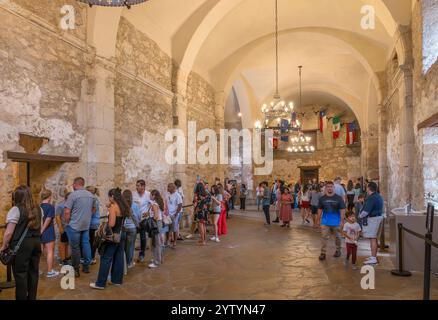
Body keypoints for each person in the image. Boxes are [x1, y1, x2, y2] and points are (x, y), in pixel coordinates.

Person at [1, 186, 41, 300]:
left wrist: (3, 246)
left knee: (21, 275)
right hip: (37, 242)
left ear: (16, 197)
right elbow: (40, 227)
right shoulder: (38, 209)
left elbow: (9, 232)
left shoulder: (16, 209)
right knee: (33, 272)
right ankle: (32, 298)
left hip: (22, 246)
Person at [90, 188, 131, 290]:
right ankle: (116, 280)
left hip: (113, 236)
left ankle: (100, 283)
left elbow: (112, 224)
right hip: (122, 234)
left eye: (109, 197)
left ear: (112, 197)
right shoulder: (122, 206)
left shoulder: (114, 207)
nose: (108, 199)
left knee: (106, 258)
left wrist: (104, 226)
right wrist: (110, 208)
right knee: (119, 257)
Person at [64, 177, 97, 277]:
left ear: (75, 184)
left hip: (74, 225)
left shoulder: (73, 195)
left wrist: (68, 222)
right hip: (86, 225)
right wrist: (86, 216)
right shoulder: (91, 195)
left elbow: (66, 211)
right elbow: (94, 209)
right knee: (86, 245)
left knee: (75, 248)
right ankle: (86, 267)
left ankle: (76, 269)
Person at [317, 181, 346, 261]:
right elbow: (319, 210)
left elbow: (342, 210)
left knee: (338, 238)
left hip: (336, 222)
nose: (329, 188)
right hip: (325, 222)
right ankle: (323, 253)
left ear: (333, 188)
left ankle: (338, 250)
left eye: (331, 186)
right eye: (328, 187)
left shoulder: (338, 198)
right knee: (324, 238)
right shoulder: (322, 198)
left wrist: (342, 221)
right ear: (325, 188)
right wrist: (318, 220)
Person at [359, 182, 384, 266]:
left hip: (373, 220)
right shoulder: (378, 196)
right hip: (377, 218)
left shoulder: (371, 198)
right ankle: (373, 256)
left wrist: (359, 216)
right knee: (373, 238)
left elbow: (366, 211)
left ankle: (373, 258)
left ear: (368, 188)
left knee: (373, 238)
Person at [40, 189, 58, 278]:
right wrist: (42, 230)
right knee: (50, 251)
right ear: (49, 196)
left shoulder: (39, 206)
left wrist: (39, 231)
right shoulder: (50, 207)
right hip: (47, 230)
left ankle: (38, 270)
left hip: (40, 231)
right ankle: (50, 271)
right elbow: (48, 219)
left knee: (41, 251)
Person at [133, 180, 151, 263]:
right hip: (135, 219)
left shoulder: (148, 194)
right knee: (132, 236)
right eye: (136, 185)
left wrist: (148, 212)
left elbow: (152, 204)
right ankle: (130, 256)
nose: (137, 187)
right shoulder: (134, 194)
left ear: (143, 186)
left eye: (138, 186)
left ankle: (142, 254)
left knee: (143, 237)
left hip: (143, 220)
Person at [122, 189, 141, 269]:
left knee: (123, 246)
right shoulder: (135, 205)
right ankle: (129, 263)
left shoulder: (121, 205)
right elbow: (138, 217)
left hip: (123, 228)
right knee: (130, 247)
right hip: (132, 228)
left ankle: (123, 263)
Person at [148, 190, 165, 269]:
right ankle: (158, 258)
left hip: (156, 223)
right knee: (159, 242)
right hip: (159, 223)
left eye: (151, 194)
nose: (149, 196)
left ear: (154, 195)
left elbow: (156, 216)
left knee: (156, 243)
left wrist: (149, 219)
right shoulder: (158, 203)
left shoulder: (154, 204)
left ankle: (156, 261)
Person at [86, 186, 100, 265]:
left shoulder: (94, 200)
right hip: (92, 222)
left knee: (91, 241)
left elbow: (92, 212)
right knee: (91, 240)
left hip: (92, 223)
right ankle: (91, 257)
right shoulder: (93, 199)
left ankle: (92, 257)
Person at [55, 191, 71, 265]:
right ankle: (62, 259)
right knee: (62, 244)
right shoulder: (60, 205)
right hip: (64, 227)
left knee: (67, 243)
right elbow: (57, 217)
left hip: (70, 227)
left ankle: (66, 257)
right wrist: (60, 227)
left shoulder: (71, 205)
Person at [166, 183, 183, 249]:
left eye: (169, 187)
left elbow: (180, 205)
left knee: (174, 229)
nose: (167, 188)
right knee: (167, 229)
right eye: (168, 187)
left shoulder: (177, 195)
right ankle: (167, 241)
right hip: (168, 214)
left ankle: (175, 242)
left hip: (174, 214)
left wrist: (176, 214)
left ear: (173, 188)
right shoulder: (167, 194)